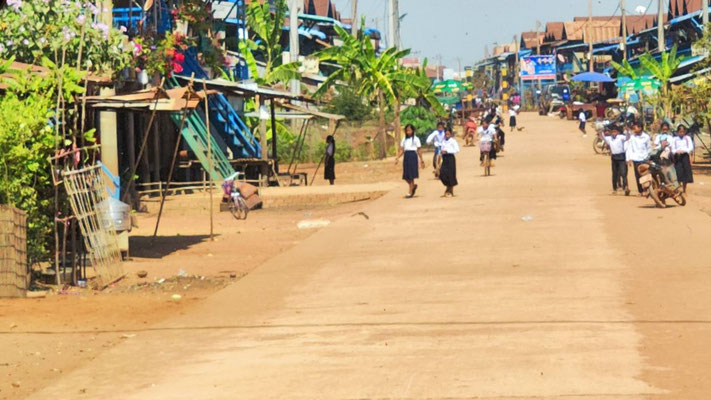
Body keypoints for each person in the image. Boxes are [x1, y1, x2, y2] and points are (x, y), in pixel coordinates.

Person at [395, 124, 426, 198]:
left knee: (411, 175)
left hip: (413, 156)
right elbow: (402, 150)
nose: (408, 132)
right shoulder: (404, 139)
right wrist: (397, 157)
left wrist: (421, 160)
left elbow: (419, 149)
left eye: (409, 130)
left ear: (413, 131)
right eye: (407, 130)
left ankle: (410, 191)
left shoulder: (416, 139)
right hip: (406, 156)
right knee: (406, 175)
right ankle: (412, 186)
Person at [599, 124, 630, 196]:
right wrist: (601, 132)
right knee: (615, 174)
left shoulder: (621, 137)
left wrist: (628, 131)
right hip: (614, 157)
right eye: (612, 132)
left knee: (623, 173)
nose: (613, 133)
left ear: (618, 132)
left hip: (621, 157)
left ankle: (626, 187)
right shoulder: (609, 138)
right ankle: (614, 188)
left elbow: (627, 138)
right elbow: (603, 138)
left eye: (615, 132)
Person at [625, 121, 652, 195]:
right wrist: (628, 159)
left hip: (644, 158)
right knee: (637, 175)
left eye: (635, 128)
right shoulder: (632, 137)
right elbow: (629, 148)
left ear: (640, 128)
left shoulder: (646, 137)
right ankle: (640, 191)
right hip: (636, 159)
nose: (634, 129)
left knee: (646, 175)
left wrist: (649, 157)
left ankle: (647, 190)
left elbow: (649, 148)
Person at [672, 124, 694, 193]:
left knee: (685, 172)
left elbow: (690, 147)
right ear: (677, 132)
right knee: (678, 172)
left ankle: (684, 189)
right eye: (680, 132)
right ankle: (679, 188)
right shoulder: (675, 139)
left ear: (685, 132)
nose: (682, 133)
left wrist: (684, 151)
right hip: (677, 157)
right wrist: (676, 151)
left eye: (683, 131)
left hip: (685, 156)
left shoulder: (687, 138)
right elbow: (672, 148)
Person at [439, 127, 460, 197]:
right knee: (442, 174)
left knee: (450, 174)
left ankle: (450, 189)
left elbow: (457, 150)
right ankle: (447, 186)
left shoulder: (453, 141)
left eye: (448, 134)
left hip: (450, 158)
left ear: (451, 134)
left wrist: (448, 151)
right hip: (444, 158)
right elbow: (441, 148)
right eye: (446, 134)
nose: (447, 135)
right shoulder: (443, 141)